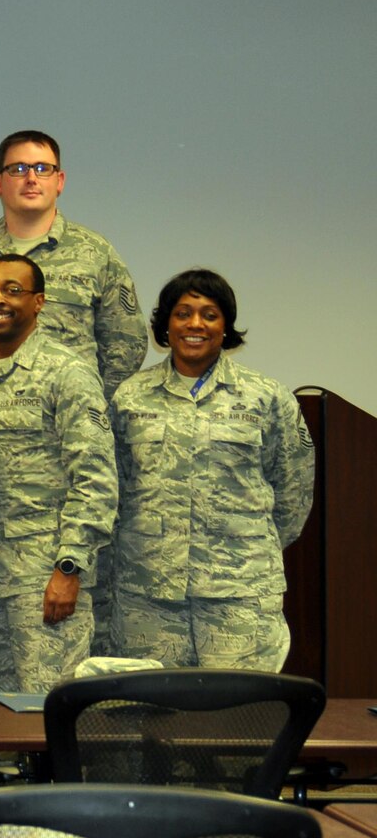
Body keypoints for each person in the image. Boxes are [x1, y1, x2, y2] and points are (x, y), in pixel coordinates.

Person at [109, 269, 314, 670]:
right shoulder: (129, 396)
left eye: (209, 314)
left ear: (226, 327)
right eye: (183, 313)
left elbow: (294, 493)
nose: (195, 325)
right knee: (150, 720)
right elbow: (112, 488)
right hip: (148, 597)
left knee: (238, 721)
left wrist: (239, 553)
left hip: (239, 596)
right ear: (165, 326)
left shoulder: (266, 397)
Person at [0, 255, 117, 693]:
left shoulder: (68, 373)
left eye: (12, 290)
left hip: (45, 580)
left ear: (39, 302)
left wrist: (69, 568)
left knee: (47, 712)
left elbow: (95, 479)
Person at [0, 130, 144, 396]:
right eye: (18, 169)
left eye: (43, 169)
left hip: (67, 430)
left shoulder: (95, 254)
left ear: (60, 181)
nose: (31, 178)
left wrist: (89, 405)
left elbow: (126, 343)